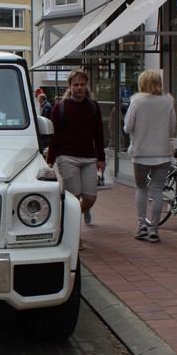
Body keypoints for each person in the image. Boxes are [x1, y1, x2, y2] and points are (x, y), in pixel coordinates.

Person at [46, 69, 106, 241]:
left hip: (89, 157)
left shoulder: (93, 106)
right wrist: (50, 160)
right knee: (74, 196)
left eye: (82, 84)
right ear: (70, 87)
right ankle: (73, 236)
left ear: (86, 86)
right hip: (67, 156)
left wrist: (101, 157)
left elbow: (99, 133)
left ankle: (65, 218)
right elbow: (54, 135)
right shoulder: (61, 107)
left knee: (90, 198)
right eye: (76, 85)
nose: (79, 88)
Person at [123, 69, 176, 243]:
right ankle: (154, 229)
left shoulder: (137, 102)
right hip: (163, 153)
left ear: (142, 83)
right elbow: (172, 128)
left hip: (141, 153)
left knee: (141, 188)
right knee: (157, 190)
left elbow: (127, 127)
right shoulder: (168, 102)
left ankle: (141, 226)